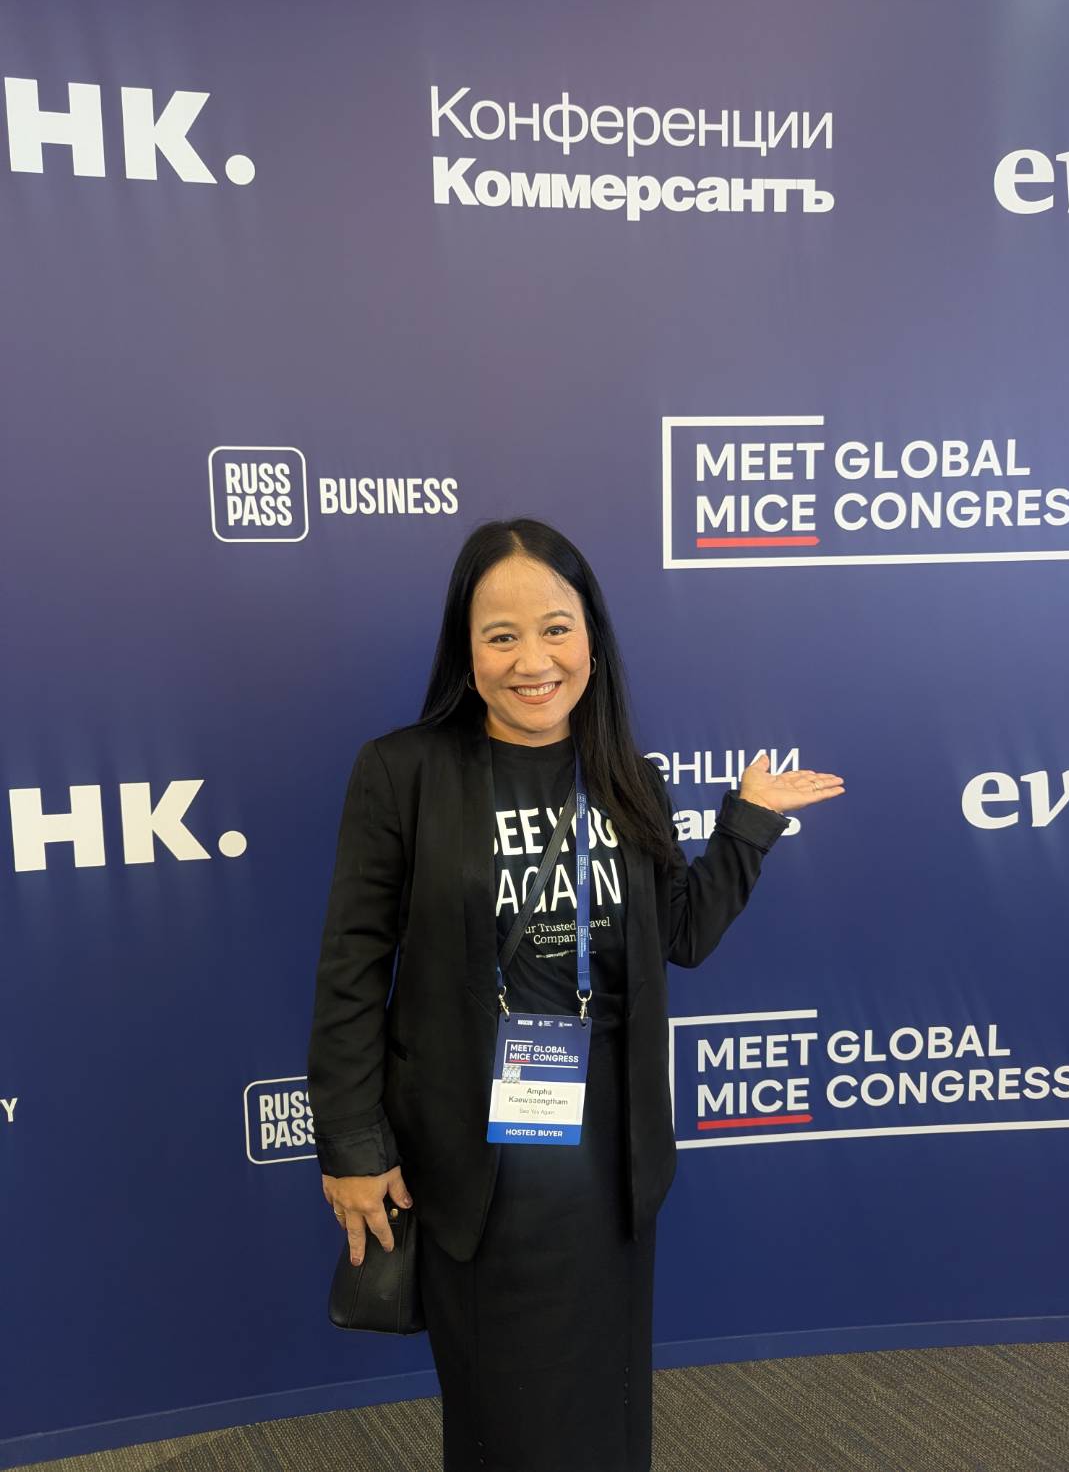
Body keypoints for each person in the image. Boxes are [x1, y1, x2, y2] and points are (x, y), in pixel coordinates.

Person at [306, 518, 844, 1472]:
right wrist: (351, 1144)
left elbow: (679, 935)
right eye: (501, 635)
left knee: (604, 1407)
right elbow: (351, 968)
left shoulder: (628, 779)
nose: (533, 661)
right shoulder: (403, 773)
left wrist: (748, 827)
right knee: (504, 1418)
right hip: (474, 1158)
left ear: (591, 636)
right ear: (466, 650)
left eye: (556, 629)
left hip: (607, 1159)